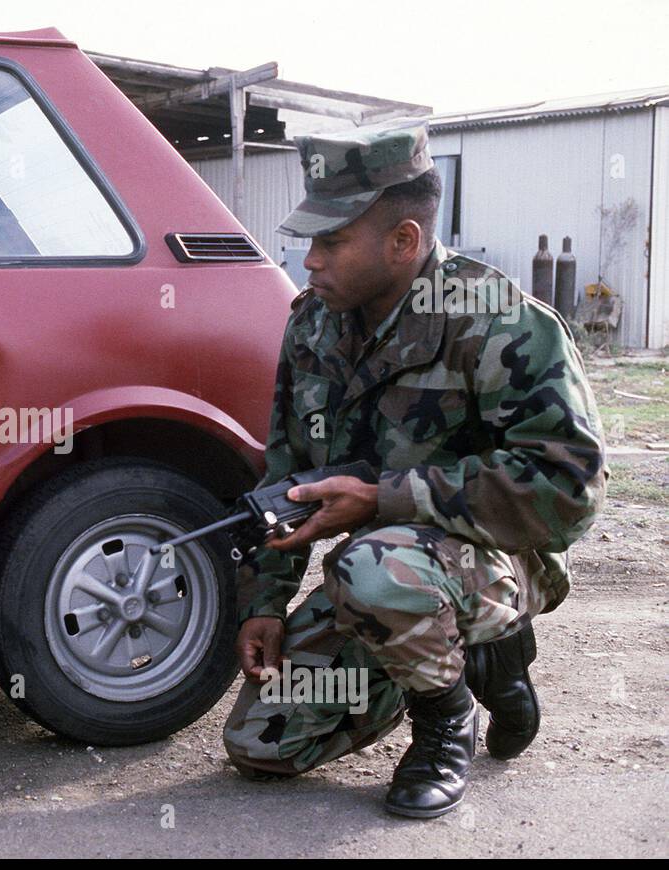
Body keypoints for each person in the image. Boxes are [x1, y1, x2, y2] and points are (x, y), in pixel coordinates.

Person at [222, 123, 608, 818]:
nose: (309, 261)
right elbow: (284, 468)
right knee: (264, 741)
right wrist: (264, 605)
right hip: (399, 580)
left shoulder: (499, 324)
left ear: (403, 241)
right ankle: (463, 650)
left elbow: (569, 490)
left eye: (331, 242)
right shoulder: (312, 324)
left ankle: (446, 719)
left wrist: (382, 499)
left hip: (494, 559)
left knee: (368, 568)